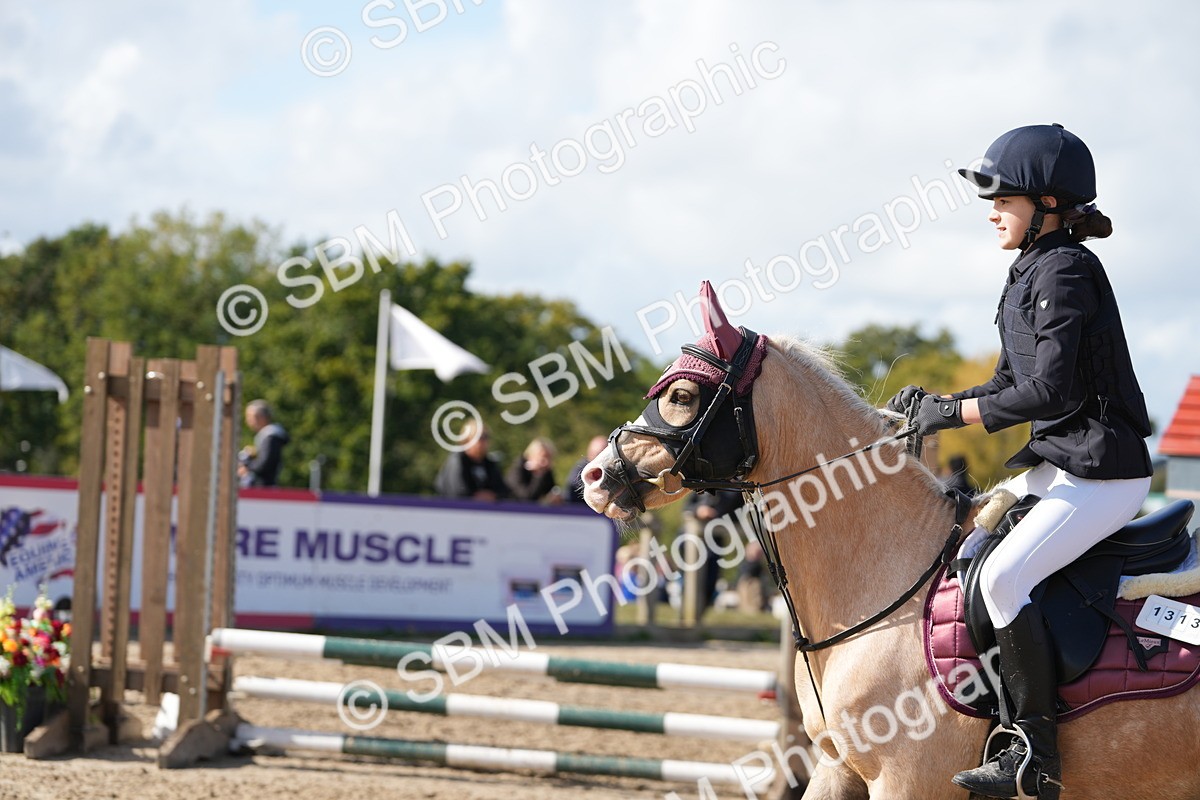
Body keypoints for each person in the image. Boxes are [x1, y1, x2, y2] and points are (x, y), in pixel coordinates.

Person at [888, 124, 1152, 800]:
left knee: (1004, 577)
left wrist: (951, 416)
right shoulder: (1029, 270)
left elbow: (1050, 393)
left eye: (1004, 200)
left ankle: (1035, 752)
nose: (992, 211)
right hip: (1061, 462)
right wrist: (937, 404)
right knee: (969, 547)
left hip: (1102, 470)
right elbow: (1008, 385)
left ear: (1048, 204)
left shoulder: (1065, 270)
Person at [433, 420, 511, 501]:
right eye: (479, 437)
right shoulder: (457, 461)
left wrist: (494, 496)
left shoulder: (489, 463)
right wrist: (475, 497)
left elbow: (503, 491)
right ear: (467, 440)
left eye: (486, 437)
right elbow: (457, 492)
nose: (484, 441)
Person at [238, 400, 290, 487]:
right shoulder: (269, 436)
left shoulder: (271, 437)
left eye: (250, 417)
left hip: (264, 487)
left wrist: (247, 466)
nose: (248, 421)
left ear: (262, 417)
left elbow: (265, 464)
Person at [506, 437, 559, 502]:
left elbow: (551, 491)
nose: (546, 462)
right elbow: (527, 498)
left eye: (549, 459)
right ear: (530, 456)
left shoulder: (546, 472)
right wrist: (538, 475)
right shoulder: (518, 470)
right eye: (543, 459)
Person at [564, 435, 609, 504]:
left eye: (603, 454)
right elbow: (572, 495)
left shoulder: (613, 470)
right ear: (589, 454)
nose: (600, 459)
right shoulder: (579, 471)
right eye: (597, 454)